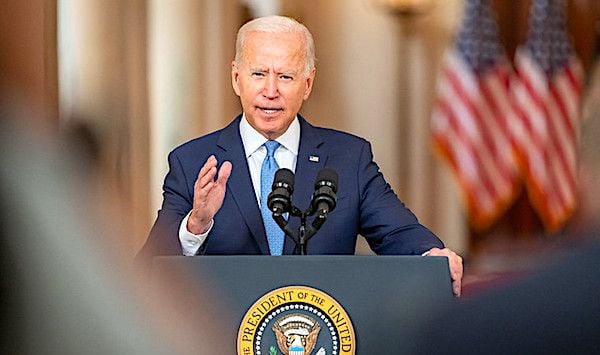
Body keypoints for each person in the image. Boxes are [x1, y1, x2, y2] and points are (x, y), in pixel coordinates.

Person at [138, 15, 463, 296]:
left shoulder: (349, 158)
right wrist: (196, 224)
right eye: (258, 74)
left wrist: (432, 256)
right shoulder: (192, 161)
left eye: (286, 76)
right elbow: (148, 272)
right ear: (236, 78)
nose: (270, 90)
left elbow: (397, 233)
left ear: (307, 84)